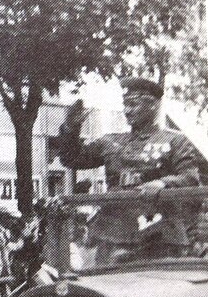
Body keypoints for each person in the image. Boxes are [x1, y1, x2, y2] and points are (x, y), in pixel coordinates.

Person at [58, 77, 200, 261]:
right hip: (113, 235)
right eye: (125, 104)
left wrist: (162, 183)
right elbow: (72, 159)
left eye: (133, 104)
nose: (127, 111)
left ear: (153, 106)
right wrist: (71, 128)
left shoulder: (175, 141)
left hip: (159, 236)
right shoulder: (111, 142)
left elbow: (191, 179)